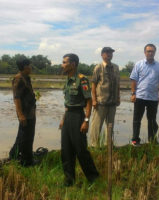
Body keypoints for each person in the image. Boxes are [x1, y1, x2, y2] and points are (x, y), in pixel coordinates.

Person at [59, 53, 99, 186]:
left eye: (65, 62)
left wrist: (86, 121)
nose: (62, 65)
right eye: (63, 62)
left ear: (73, 64)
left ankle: (93, 178)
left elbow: (88, 101)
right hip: (68, 116)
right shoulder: (67, 79)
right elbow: (68, 102)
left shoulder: (82, 80)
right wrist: (63, 119)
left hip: (78, 117)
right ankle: (69, 179)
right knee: (66, 150)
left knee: (81, 150)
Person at [130, 44, 159, 146]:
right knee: (137, 120)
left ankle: (152, 140)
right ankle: (135, 140)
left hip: (153, 98)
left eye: (152, 51)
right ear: (145, 52)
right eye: (148, 51)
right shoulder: (139, 64)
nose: (150, 53)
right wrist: (133, 93)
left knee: (152, 120)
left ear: (155, 52)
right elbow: (134, 80)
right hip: (140, 97)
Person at [9, 58, 37, 167]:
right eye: (29, 65)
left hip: (29, 112)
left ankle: (15, 155)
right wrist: (21, 115)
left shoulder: (26, 78)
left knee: (24, 135)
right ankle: (26, 161)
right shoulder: (19, 79)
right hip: (25, 114)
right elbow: (17, 98)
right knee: (26, 137)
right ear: (25, 67)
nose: (31, 67)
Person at [90, 47, 120, 147]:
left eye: (111, 53)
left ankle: (108, 145)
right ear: (102, 55)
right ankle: (94, 145)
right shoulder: (98, 67)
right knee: (96, 125)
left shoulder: (116, 67)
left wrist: (118, 97)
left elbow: (117, 84)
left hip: (112, 101)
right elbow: (93, 84)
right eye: (107, 53)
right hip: (101, 101)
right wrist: (94, 100)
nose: (109, 54)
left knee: (110, 125)